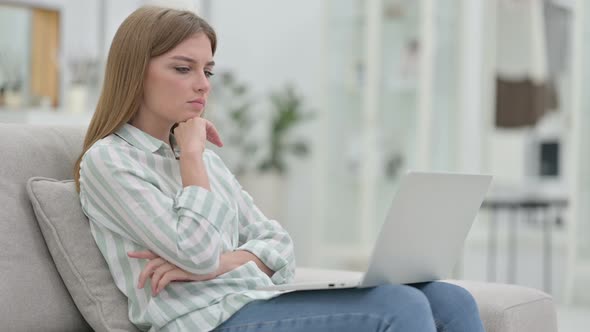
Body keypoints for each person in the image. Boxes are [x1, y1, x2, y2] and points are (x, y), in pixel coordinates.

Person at [74, 6, 485, 332]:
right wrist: (193, 156)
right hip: (204, 322)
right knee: (399, 305)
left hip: (258, 301)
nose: (203, 84)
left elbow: (279, 245)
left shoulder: (204, 161)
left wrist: (221, 263)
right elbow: (196, 253)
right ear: (135, 73)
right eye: (184, 68)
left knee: (451, 300)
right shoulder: (110, 161)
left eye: (208, 70)